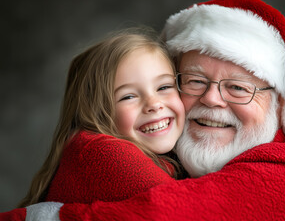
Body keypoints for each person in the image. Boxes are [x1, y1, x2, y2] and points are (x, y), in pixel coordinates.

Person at [0, 0, 285, 221]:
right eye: (194, 81)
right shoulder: (150, 158)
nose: (211, 99)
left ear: (281, 105)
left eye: (238, 88)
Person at [16, 27, 186, 207]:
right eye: (128, 97)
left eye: (164, 87)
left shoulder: (176, 154)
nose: (153, 104)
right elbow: (183, 209)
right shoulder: (101, 151)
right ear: (96, 112)